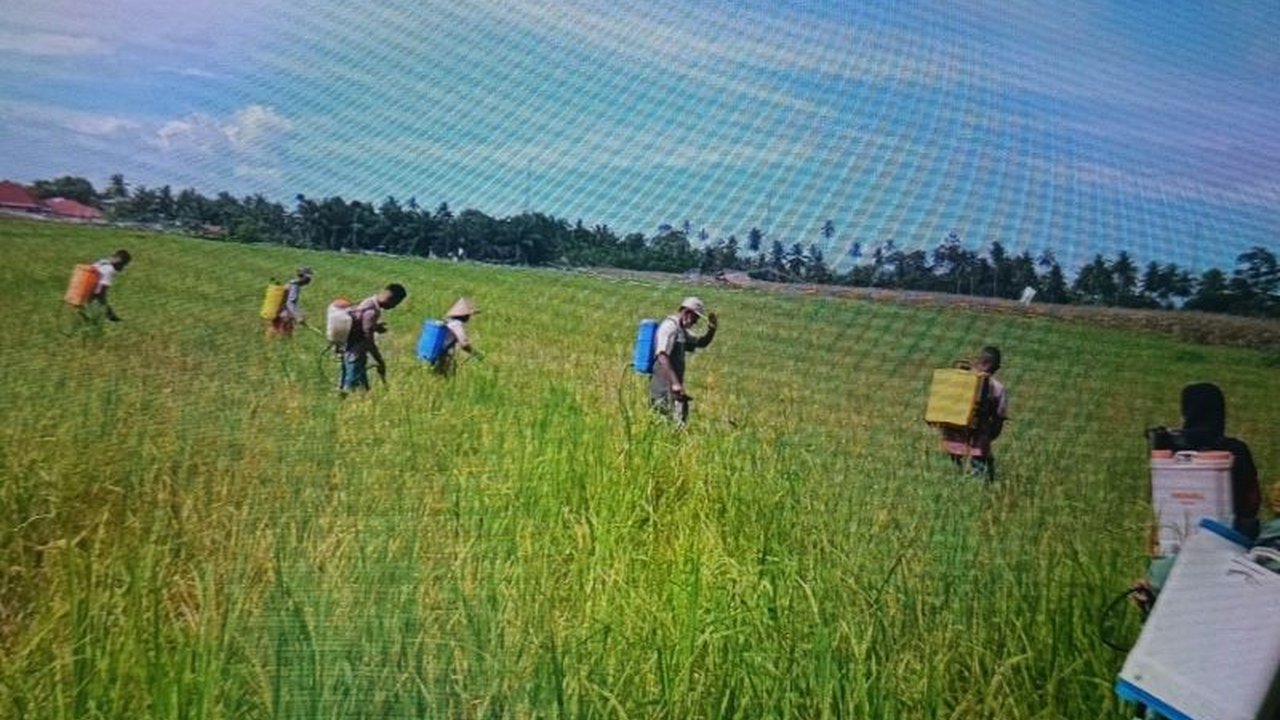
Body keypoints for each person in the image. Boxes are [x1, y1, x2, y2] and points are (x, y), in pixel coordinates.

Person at [1151, 382, 1261, 539]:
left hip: (1171, 538)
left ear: (1185, 411)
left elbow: (1155, 502)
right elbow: (1252, 502)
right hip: (1229, 538)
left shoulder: (1167, 449)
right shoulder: (1236, 449)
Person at [940, 346, 1008, 482]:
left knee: (951, 477)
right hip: (979, 442)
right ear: (995, 366)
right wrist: (989, 437)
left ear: (979, 360)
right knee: (983, 478)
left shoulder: (958, 380)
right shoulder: (998, 388)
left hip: (952, 438)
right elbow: (999, 418)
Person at [650, 296, 718, 426]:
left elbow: (701, 343)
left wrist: (712, 330)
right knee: (662, 422)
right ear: (687, 313)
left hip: (673, 389)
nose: (695, 322)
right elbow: (662, 355)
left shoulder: (681, 330)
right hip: (663, 387)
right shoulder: (669, 327)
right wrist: (675, 384)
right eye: (695, 318)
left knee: (677, 422)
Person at [340, 283, 407, 394]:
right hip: (355, 353)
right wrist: (379, 360)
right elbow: (368, 339)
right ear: (392, 299)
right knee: (350, 386)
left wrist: (375, 327)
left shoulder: (368, 301)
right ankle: (345, 407)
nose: (393, 307)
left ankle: (358, 403)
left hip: (349, 349)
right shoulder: (372, 311)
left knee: (362, 388)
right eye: (395, 304)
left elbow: (362, 324)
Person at [436, 297, 481, 376]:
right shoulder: (457, 324)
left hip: (436, 353)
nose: (469, 318)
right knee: (447, 377)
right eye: (468, 315)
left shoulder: (447, 322)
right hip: (443, 356)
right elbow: (464, 344)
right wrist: (475, 354)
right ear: (463, 315)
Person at [85, 249, 132, 322]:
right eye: (123, 264)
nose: (122, 268)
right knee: (98, 301)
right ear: (119, 261)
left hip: (83, 287)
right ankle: (110, 318)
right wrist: (110, 314)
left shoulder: (102, 262)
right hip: (90, 291)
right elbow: (101, 293)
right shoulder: (109, 270)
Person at [271, 267, 313, 336]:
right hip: (284, 315)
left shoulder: (291, 283)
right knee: (284, 335)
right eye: (309, 277)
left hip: (279, 312)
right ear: (303, 277)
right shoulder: (294, 286)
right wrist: (298, 317)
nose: (310, 280)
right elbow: (290, 303)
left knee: (275, 331)